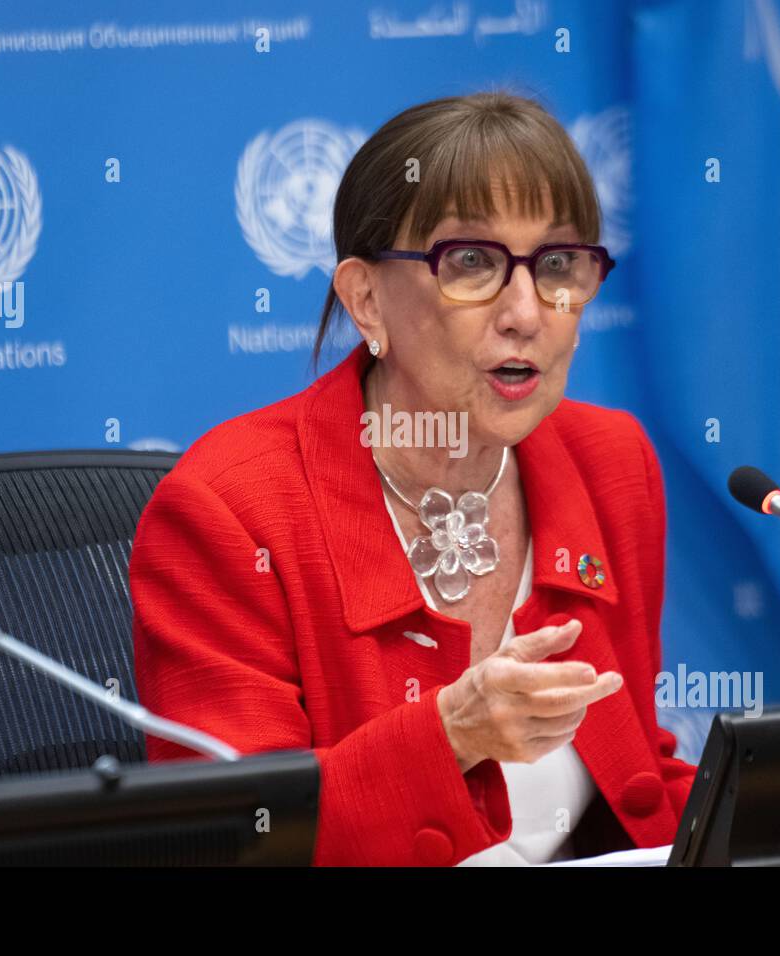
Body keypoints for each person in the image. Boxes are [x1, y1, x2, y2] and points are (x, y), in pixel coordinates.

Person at [130, 91, 696, 866]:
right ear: (366, 300)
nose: (528, 312)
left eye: (558, 265)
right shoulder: (231, 508)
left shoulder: (609, 461)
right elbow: (236, 842)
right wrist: (451, 735)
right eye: (472, 263)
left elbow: (639, 772)